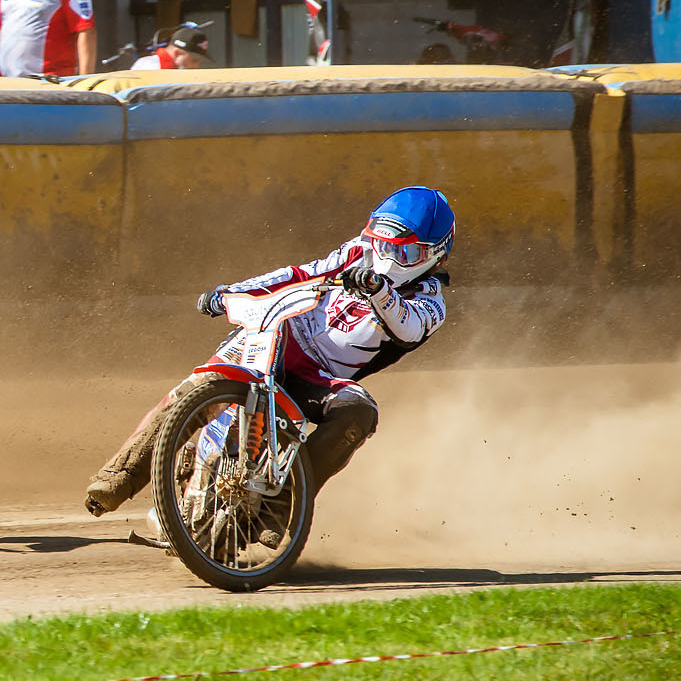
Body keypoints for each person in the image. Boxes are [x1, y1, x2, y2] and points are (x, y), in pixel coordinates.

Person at [82, 187, 454, 532]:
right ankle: (119, 476)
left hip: (320, 377)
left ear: (436, 254)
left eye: (405, 254)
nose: (387, 259)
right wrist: (230, 292)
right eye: (382, 245)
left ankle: (283, 509)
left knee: (361, 411)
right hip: (277, 333)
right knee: (197, 388)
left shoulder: (430, 301)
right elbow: (298, 274)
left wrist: (378, 290)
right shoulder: (358, 251)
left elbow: (407, 327)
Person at [129, 23, 210, 71]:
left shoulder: (173, 70)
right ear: (177, 53)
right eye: (194, 60)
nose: (196, 66)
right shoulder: (151, 67)